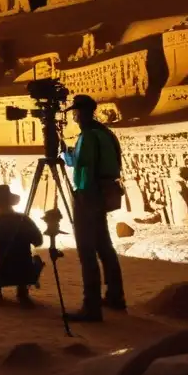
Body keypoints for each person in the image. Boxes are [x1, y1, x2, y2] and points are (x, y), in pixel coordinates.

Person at [61, 93, 126, 322]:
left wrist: (81, 198)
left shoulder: (88, 137)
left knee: (87, 251)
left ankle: (92, 306)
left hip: (88, 196)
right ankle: (115, 296)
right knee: (104, 246)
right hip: (104, 194)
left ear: (80, 113)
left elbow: (84, 170)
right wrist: (67, 153)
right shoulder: (105, 134)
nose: (74, 117)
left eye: (75, 113)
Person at [0, 184, 45, 305]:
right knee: (36, 260)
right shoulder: (24, 219)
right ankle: (22, 290)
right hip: (26, 272)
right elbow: (38, 241)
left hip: (2, 271)